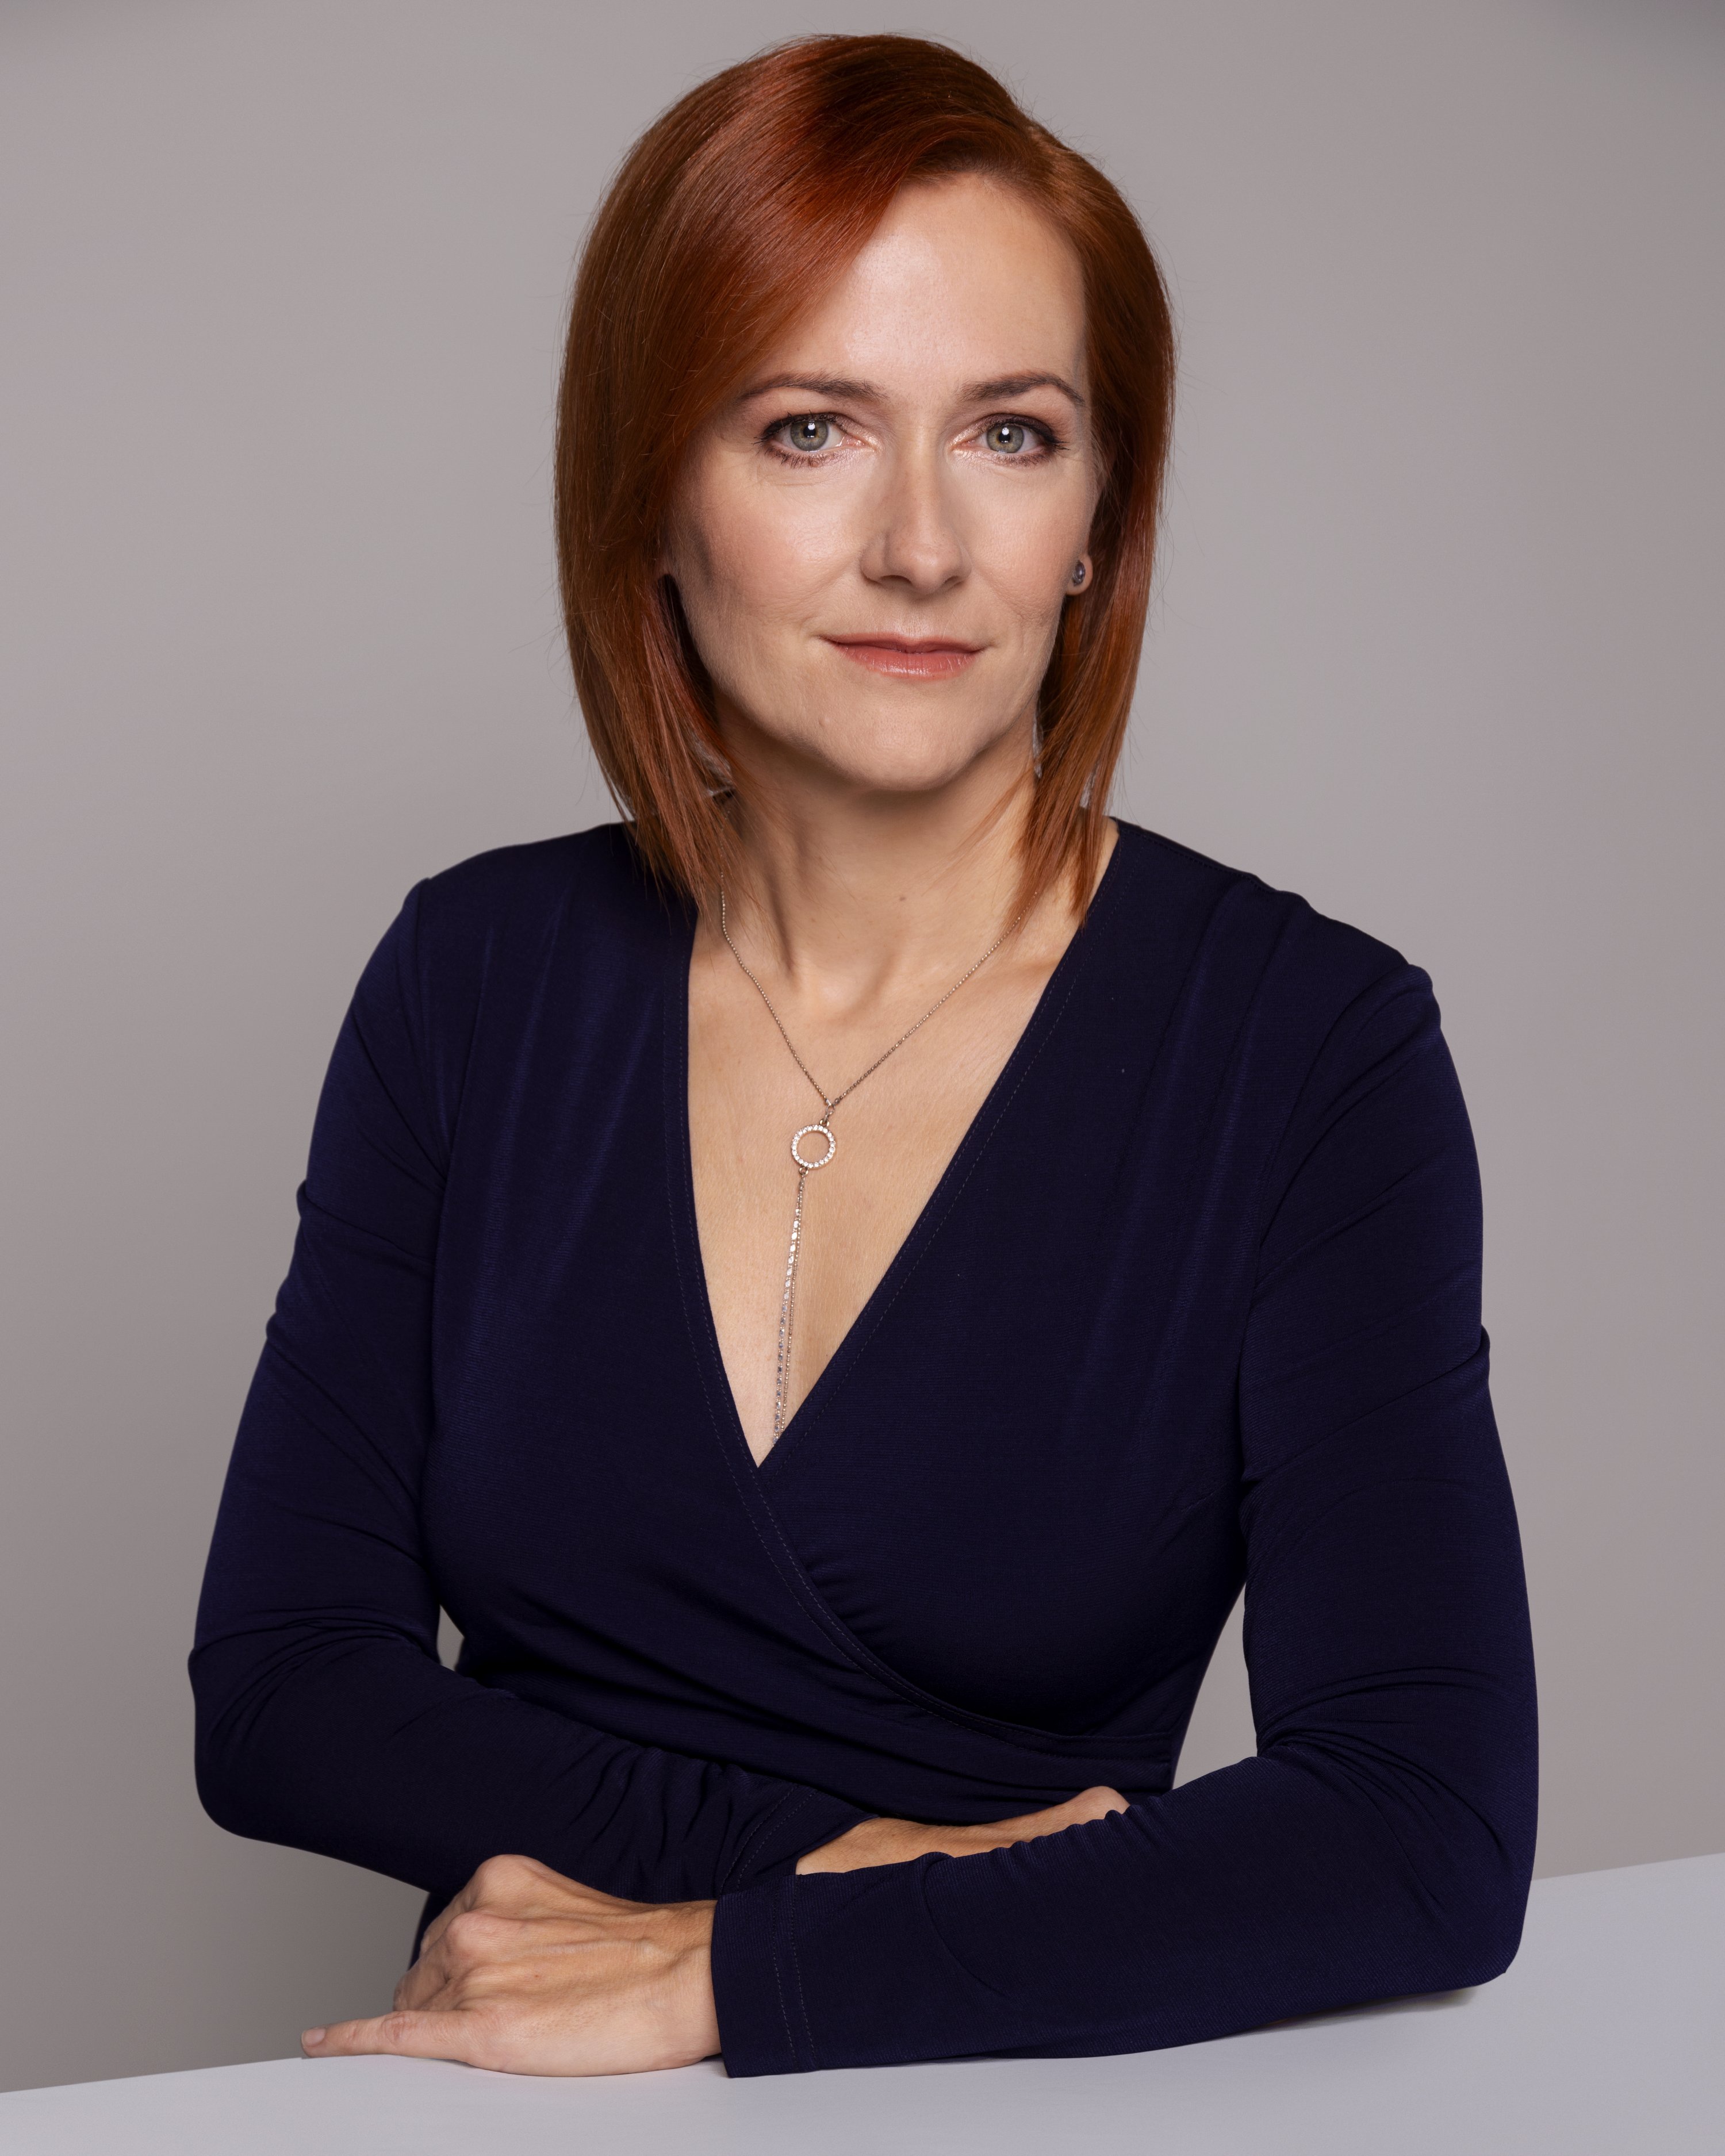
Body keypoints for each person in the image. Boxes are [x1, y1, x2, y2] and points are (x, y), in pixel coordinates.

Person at [190, 33, 1537, 2078]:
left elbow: (1423, 1832)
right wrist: (843, 1867)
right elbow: (286, 1689)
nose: (921, 544)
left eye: (1011, 433)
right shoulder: (472, 977)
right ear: (655, 491)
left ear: (1096, 517)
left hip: (1006, 2094)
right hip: (504, 2091)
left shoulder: (1309, 1049)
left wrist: (736, 1969)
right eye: (809, 428)